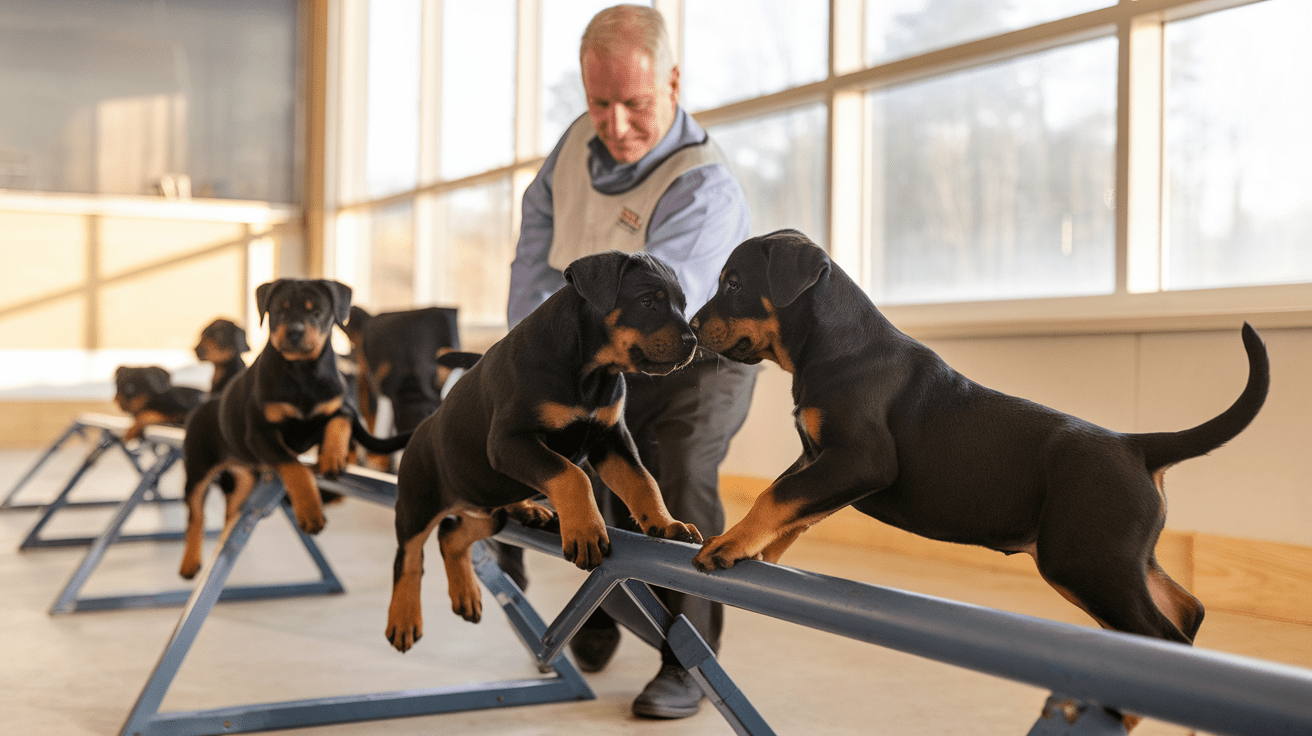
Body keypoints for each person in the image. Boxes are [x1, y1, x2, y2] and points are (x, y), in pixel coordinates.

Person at [506, 4, 757, 720]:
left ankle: (689, 660)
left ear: (673, 83)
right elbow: (533, 259)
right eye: (599, 102)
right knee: (592, 463)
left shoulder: (704, 186)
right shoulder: (573, 146)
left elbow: (654, 316)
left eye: (636, 104)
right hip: (605, 342)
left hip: (698, 353)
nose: (614, 124)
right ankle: (609, 604)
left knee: (674, 475)